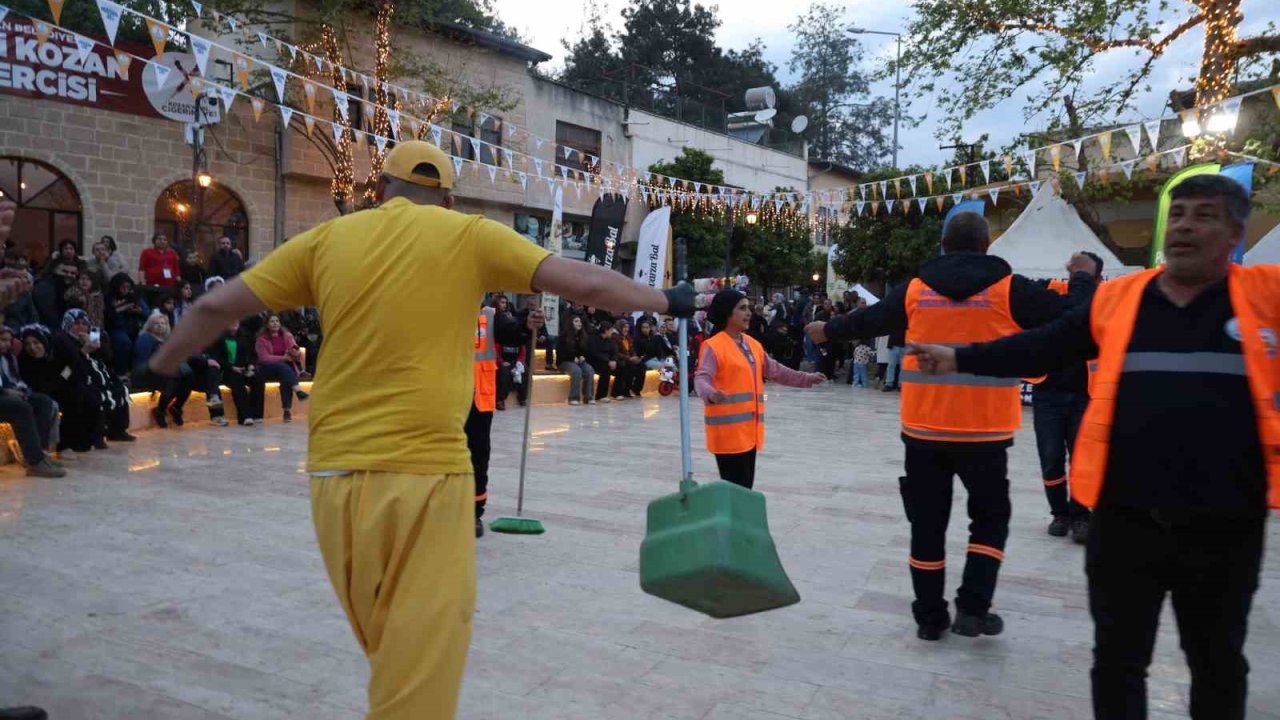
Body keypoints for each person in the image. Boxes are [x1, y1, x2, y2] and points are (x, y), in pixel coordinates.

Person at [143, 140, 693, 720]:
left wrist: (155, 364)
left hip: (335, 474)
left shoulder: (329, 240)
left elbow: (213, 308)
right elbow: (583, 282)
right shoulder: (468, 235)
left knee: (392, 653)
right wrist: (664, 298)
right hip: (429, 474)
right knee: (417, 676)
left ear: (380, 191)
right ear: (449, 201)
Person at [909, 175, 1274, 720]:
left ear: (1235, 231)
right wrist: (961, 358)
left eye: (1204, 215)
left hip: (1224, 524)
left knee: (1217, 662)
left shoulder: (1267, 298)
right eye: (1177, 215)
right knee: (1118, 663)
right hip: (1125, 521)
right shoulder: (1120, 299)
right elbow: (1043, 343)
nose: (1185, 227)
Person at [805, 211, 1095, 642]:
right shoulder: (1010, 290)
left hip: (924, 431)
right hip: (986, 433)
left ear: (942, 244)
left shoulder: (916, 290)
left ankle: (929, 617)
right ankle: (974, 609)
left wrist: (826, 330)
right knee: (990, 519)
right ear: (987, 246)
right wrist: (1083, 276)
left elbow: (869, 320)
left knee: (927, 524)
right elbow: (1077, 313)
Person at [695, 289, 825, 489]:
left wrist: (806, 378)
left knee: (745, 490)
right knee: (736, 492)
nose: (749, 313)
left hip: (749, 433)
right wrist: (711, 394)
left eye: (748, 308)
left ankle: (743, 521)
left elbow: (776, 371)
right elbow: (702, 378)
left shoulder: (752, 345)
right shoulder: (714, 346)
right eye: (742, 308)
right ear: (727, 313)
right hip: (728, 435)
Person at [1033, 251, 1104, 543]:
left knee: (1081, 460)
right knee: (1050, 460)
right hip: (1048, 392)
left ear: (1098, 277)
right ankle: (1059, 513)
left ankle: (1080, 515)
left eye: (1085, 272)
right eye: (1075, 270)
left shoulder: (1104, 300)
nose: (1078, 275)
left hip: (1085, 395)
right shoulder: (1052, 291)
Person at [467, 303, 535, 537]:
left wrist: (527, 323)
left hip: (479, 400)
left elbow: (513, 333)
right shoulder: (440, 310)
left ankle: (474, 513)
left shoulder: (490, 315)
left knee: (478, 456)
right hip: (445, 399)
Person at [0, 324, 63, 478]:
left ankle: (41, 454)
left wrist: (20, 391)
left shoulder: (7, 358)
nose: (7, 344)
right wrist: (6, 391)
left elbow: (13, 381)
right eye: (3, 340)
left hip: (8, 393)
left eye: (9, 341)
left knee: (43, 402)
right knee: (21, 408)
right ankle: (35, 462)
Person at [133, 313, 192, 428]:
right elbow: (145, 361)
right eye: (156, 324)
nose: (160, 326)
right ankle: (160, 410)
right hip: (146, 372)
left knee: (188, 376)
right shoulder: (145, 338)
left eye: (162, 323)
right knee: (172, 377)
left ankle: (176, 407)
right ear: (150, 325)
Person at [209, 321, 265, 426]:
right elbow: (217, 358)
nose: (234, 322)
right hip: (227, 370)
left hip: (244, 368)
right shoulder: (219, 338)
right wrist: (232, 368)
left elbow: (253, 355)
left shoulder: (245, 336)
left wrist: (251, 365)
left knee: (258, 379)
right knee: (237, 381)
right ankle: (245, 416)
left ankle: (256, 415)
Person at [256, 314, 309, 423]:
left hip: (285, 369)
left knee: (285, 376)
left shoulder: (287, 336)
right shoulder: (262, 340)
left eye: (277, 321)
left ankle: (286, 411)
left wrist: (295, 352)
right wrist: (283, 358)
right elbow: (264, 358)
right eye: (272, 321)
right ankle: (298, 391)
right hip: (267, 369)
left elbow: (298, 354)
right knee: (282, 366)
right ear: (267, 325)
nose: (275, 323)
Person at [105, 273, 149, 376]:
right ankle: (121, 373)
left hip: (135, 327)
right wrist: (120, 309)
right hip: (117, 328)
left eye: (128, 287)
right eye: (123, 287)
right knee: (124, 342)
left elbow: (148, 312)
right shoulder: (110, 298)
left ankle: (138, 374)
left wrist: (139, 311)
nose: (125, 290)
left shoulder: (134, 297)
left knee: (144, 342)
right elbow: (107, 315)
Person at [558, 314, 596, 406]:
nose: (579, 323)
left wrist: (583, 356)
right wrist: (572, 358)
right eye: (576, 321)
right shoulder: (564, 336)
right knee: (576, 371)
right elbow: (560, 352)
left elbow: (585, 350)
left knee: (589, 370)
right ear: (571, 323)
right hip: (565, 361)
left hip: (579, 361)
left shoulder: (582, 336)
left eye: (580, 321)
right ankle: (573, 398)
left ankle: (588, 397)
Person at [588, 321, 621, 403]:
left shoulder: (610, 340)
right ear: (606, 330)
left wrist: (614, 360)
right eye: (610, 330)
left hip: (608, 361)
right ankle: (601, 395)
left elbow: (615, 351)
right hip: (595, 361)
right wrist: (608, 361)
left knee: (622, 367)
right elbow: (594, 353)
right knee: (605, 367)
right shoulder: (593, 338)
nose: (612, 332)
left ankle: (618, 392)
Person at [612, 317, 641, 400]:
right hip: (619, 359)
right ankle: (618, 392)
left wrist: (635, 356)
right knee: (627, 366)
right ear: (620, 327)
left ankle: (633, 389)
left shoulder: (627, 337)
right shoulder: (615, 337)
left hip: (628, 359)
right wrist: (629, 358)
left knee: (641, 366)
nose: (626, 329)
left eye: (627, 327)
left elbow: (631, 349)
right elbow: (616, 353)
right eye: (624, 327)